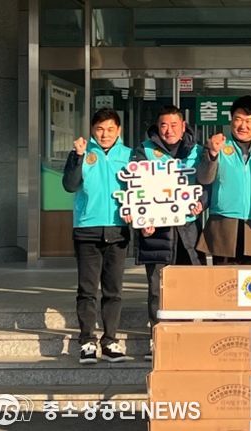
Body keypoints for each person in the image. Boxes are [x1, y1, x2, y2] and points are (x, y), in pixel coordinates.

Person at [134, 105, 206, 360]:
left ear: (183, 126)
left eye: (174, 125)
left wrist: (202, 203)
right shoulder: (143, 151)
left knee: (190, 287)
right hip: (156, 230)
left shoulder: (197, 151)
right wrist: (141, 216)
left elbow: (206, 185)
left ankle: (189, 339)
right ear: (157, 126)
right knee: (158, 289)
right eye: (164, 125)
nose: (169, 130)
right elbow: (134, 187)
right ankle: (158, 340)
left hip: (188, 230)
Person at [62, 108, 133, 365]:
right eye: (100, 129)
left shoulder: (129, 156)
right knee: (87, 290)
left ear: (119, 130)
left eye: (110, 129)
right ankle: (87, 342)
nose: (105, 134)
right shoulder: (82, 153)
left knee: (114, 290)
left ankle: (110, 340)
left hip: (118, 229)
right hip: (87, 229)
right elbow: (69, 185)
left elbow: (140, 190)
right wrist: (78, 156)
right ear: (92, 130)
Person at [196, 95, 251, 265]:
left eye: (249, 121)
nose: (243, 126)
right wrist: (212, 154)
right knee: (224, 280)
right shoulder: (217, 145)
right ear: (231, 120)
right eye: (238, 119)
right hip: (223, 225)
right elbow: (204, 178)